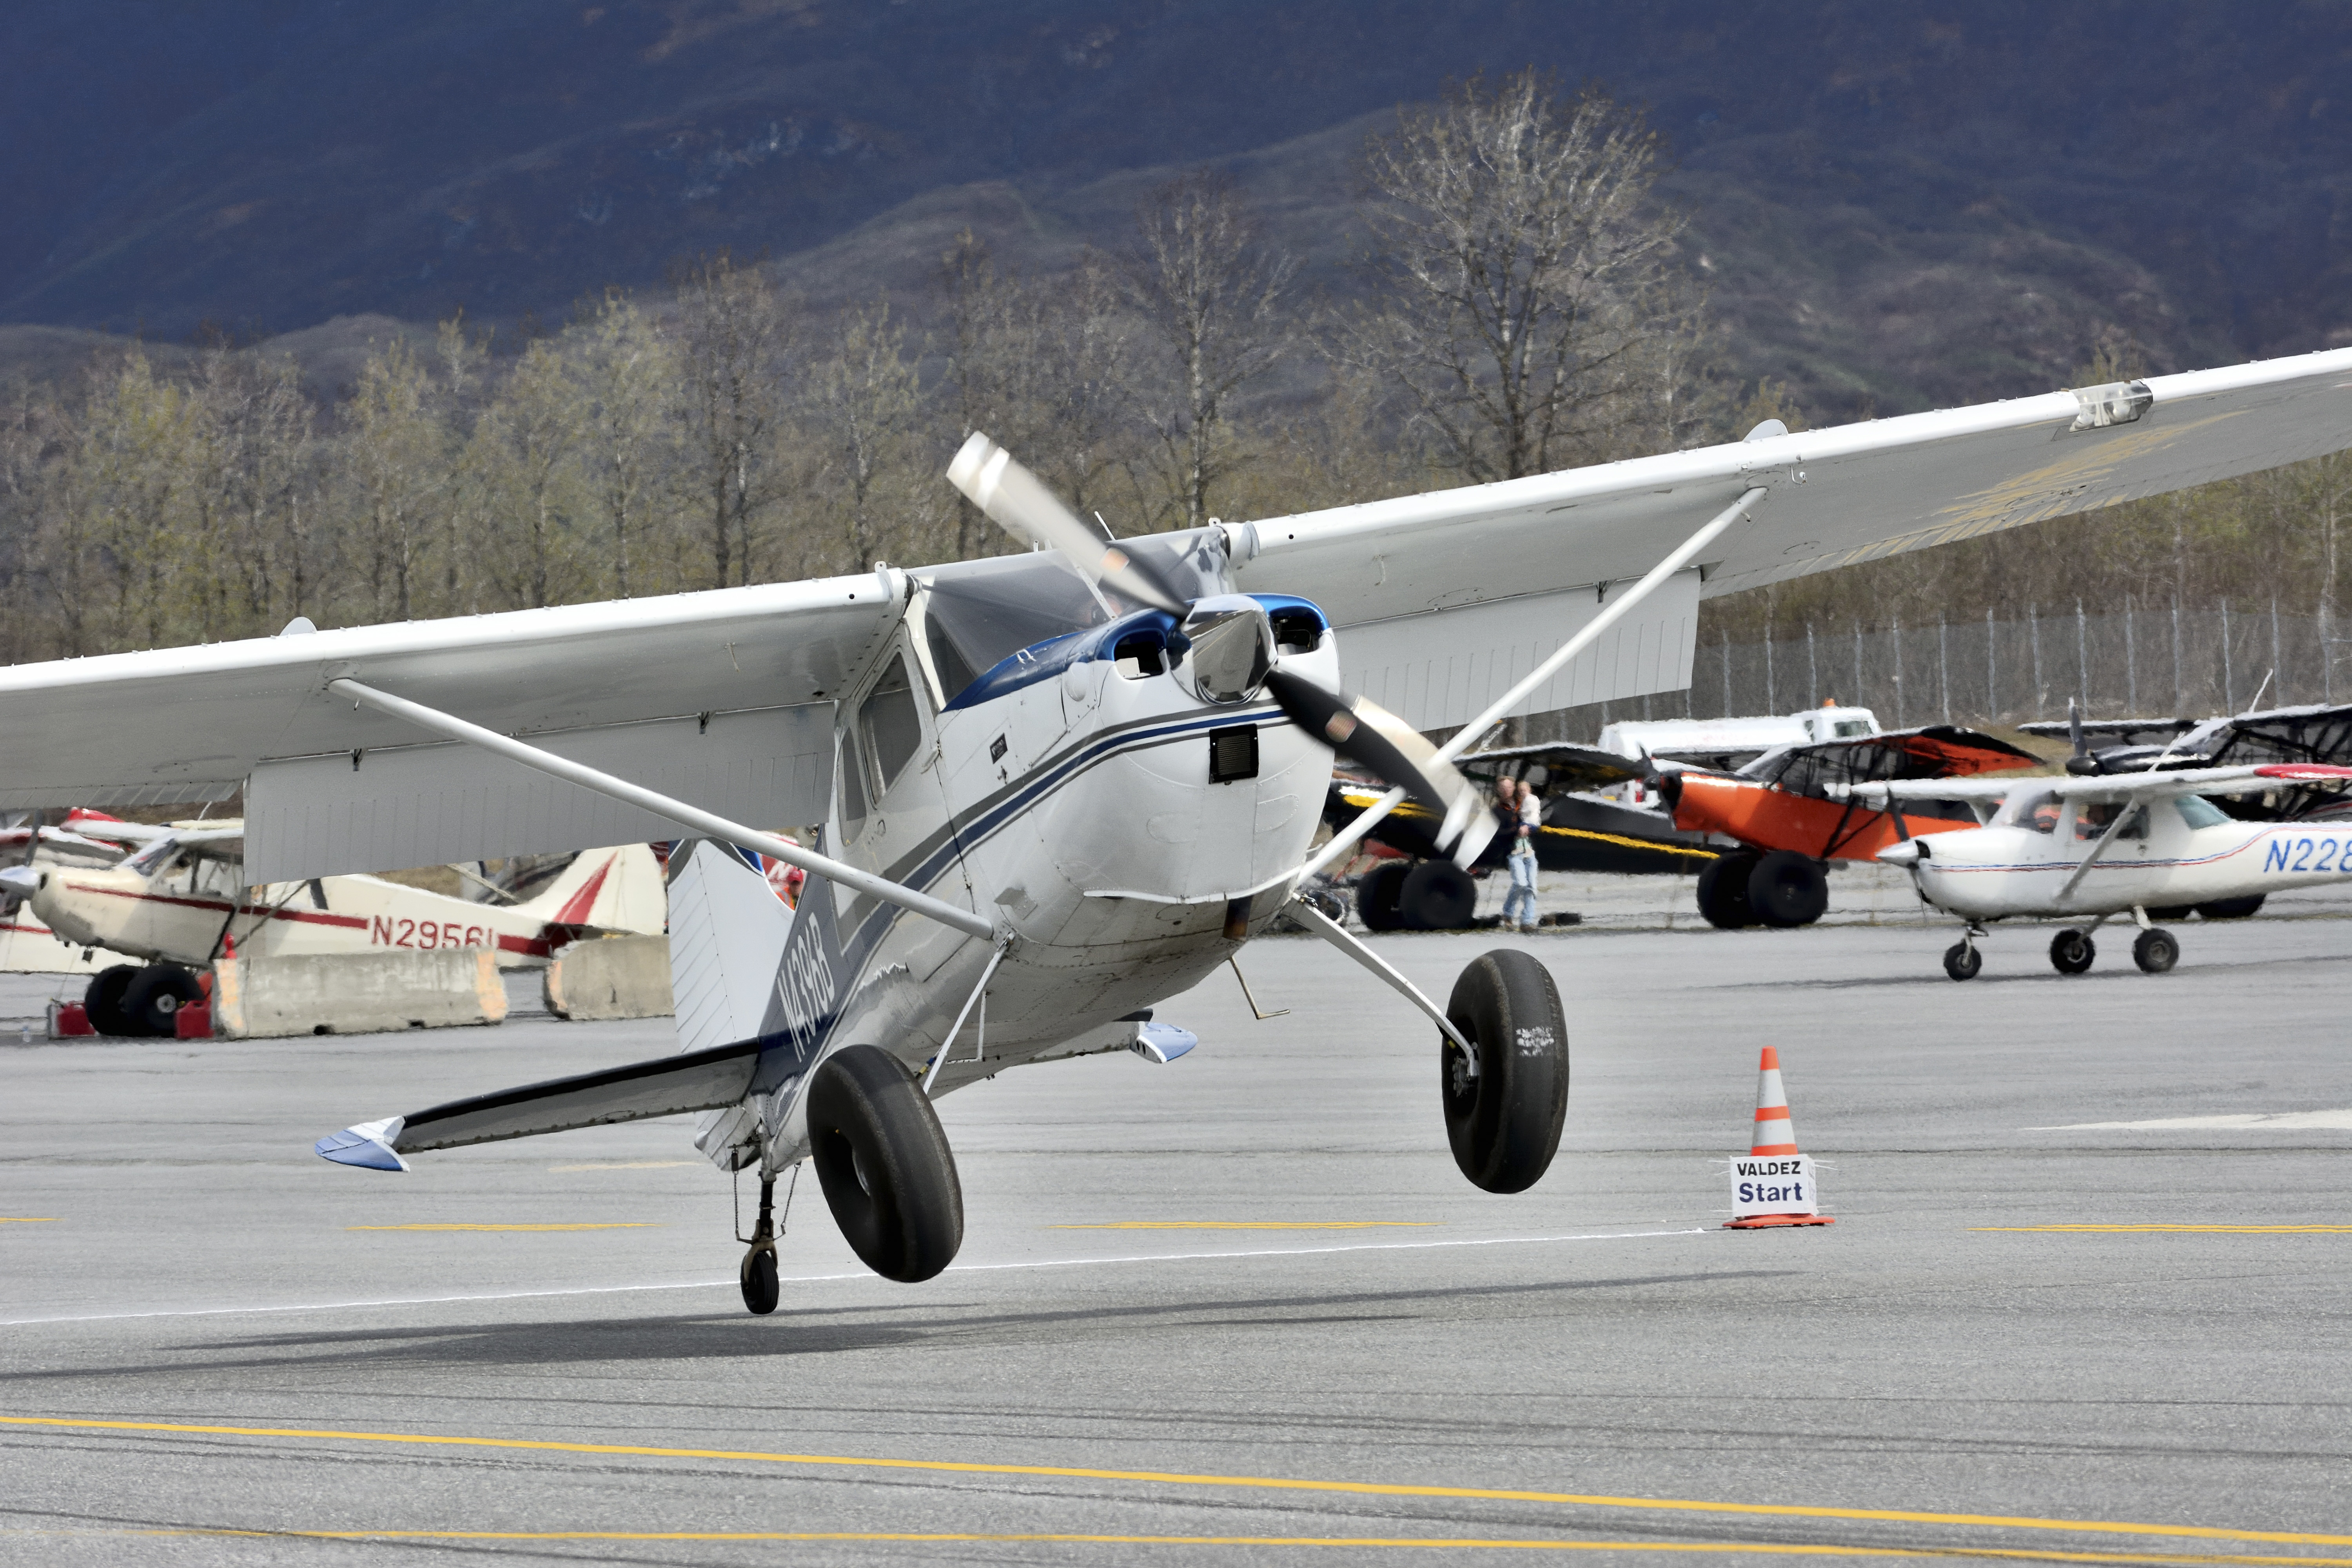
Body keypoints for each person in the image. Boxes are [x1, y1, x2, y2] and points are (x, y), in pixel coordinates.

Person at [1500, 778, 1542, 931]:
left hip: (1528, 850)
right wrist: (1515, 831)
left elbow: (1535, 823)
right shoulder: (1499, 810)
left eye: (1509, 787)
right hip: (1514, 852)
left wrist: (1530, 829)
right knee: (1520, 883)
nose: (1507, 790)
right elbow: (1498, 834)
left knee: (1531, 887)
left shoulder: (1525, 803)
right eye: (1504, 788)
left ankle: (1527, 922)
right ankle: (1508, 912)